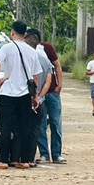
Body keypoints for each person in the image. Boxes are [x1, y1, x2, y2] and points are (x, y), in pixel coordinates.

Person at [0, 20, 41, 170]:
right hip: (25, 93)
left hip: (7, 94)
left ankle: (4, 161)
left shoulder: (7, 48)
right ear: (25, 34)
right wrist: (35, 95)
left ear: (12, 33)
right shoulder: (32, 51)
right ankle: (24, 160)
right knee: (24, 127)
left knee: (5, 128)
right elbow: (36, 77)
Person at [28, 28, 65, 164]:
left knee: (56, 122)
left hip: (52, 92)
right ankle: (44, 154)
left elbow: (57, 65)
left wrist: (59, 84)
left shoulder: (46, 48)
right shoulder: (27, 51)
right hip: (38, 93)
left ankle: (57, 154)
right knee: (41, 123)